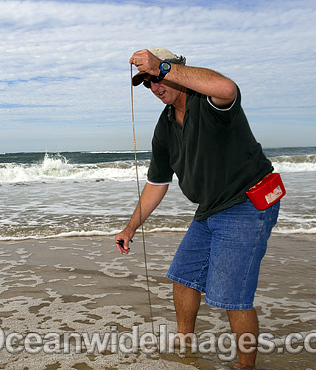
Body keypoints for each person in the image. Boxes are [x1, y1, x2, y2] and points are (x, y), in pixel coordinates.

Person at [115, 48, 280, 369]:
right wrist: (130, 227)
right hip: (210, 209)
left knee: (233, 297)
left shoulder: (210, 103)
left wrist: (160, 66)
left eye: (158, 77)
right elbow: (157, 182)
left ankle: (245, 367)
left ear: (176, 70)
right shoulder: (164, 127)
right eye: (148, 83)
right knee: (183, 276)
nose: (155, 86)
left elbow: (227, 89)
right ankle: (185, 349)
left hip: (247, 203)